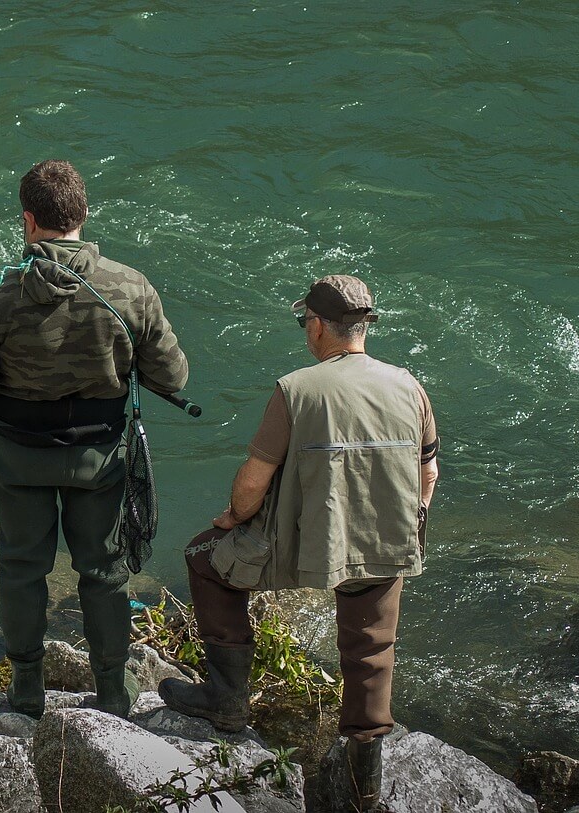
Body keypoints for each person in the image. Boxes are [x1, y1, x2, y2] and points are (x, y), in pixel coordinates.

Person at [158, 275, 438, 811]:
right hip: (382, 543)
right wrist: (408, 523)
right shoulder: (409, 385)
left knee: (203, 558)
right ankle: (364, 781)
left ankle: (226, 701)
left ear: (316, 325)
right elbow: (428, 475)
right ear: (363, 327)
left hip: (302, 547)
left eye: (303, 321)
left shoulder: (297, 389)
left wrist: (234, 518)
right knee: (371, 649)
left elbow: (253, 483)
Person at [0, 159, 189, 719]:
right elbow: (172, 378)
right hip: (100, 458)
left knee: (20, 566)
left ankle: (27, 689)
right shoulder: (132, 288)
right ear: (83, 215)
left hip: (19, 457)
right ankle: (111, 693)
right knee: (104, 572)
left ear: (29, 220)